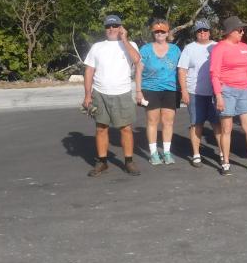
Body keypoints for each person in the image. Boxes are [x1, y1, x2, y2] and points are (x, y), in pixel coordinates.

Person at [82, 15, 142, 177]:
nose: (111, 29)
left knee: (126, 129)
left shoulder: (130, 45)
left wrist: (125, 40)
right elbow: (89, 71)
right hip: (100, 93)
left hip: (122, 92)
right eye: (108, 26)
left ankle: (129, 161)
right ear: (105, 29)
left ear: (120, 27)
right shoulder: (97, 47)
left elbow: (137, 60)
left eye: (115, 26)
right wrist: (87, 95)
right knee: (101, 128)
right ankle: (102, 162)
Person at [209, 16, 247, 176]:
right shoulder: (220, 48)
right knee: (227, 128)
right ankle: (225, 162)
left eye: (242, 29)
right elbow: (214, 74)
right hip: (227, 92)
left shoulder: (245, 47)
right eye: (239, 30)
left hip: (244, 91)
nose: (242, 32)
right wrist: (218, 95)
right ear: (231, 32)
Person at [136, 19, 181, 166]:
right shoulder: (146, 49)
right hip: (150, 89)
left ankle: (167, 153)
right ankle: (154, 153)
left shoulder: (175, 50)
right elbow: (138, 70)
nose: (160, 33)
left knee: (168, 122)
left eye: (163, 31)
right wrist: (138, 91)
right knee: (152, 121)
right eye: (157, 31)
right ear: (153, 33)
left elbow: (181, 70)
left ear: (167, 33)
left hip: (170, 89)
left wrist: (184, 90)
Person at [177, 19, 220, 168]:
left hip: (215, 93)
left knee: (217, 124)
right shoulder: (189, 48)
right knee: (196, 123)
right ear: (195, 33)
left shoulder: (217, 46)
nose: (202, 33)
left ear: (209, 31)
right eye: (199, 31)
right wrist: (184, 91)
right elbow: (182, 70)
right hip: (195, 93)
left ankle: (222, 153)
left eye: (205, 30)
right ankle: (196, 154)